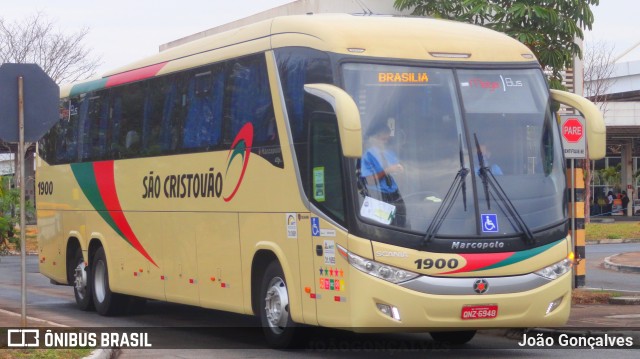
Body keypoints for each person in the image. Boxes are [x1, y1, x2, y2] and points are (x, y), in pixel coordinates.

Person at [360, 120, 407, 226]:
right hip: (378, 197)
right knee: (383, 229)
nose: (385, 142)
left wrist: (401, 172)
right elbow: (370, 181)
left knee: (401, 225)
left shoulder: (390, 154)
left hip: (395, 196)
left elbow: (400, 180)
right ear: (374, 138)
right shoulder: (368, 155)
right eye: (383, 139)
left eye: (387, 139)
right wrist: (387, 171)